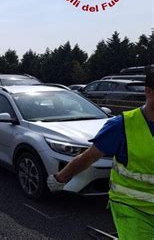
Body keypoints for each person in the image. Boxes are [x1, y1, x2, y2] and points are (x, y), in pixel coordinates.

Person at [47, 64, 154, 239]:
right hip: (133, 208)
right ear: (149, 92)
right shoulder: (122, 126)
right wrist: (60, 178)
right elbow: (88, 157)